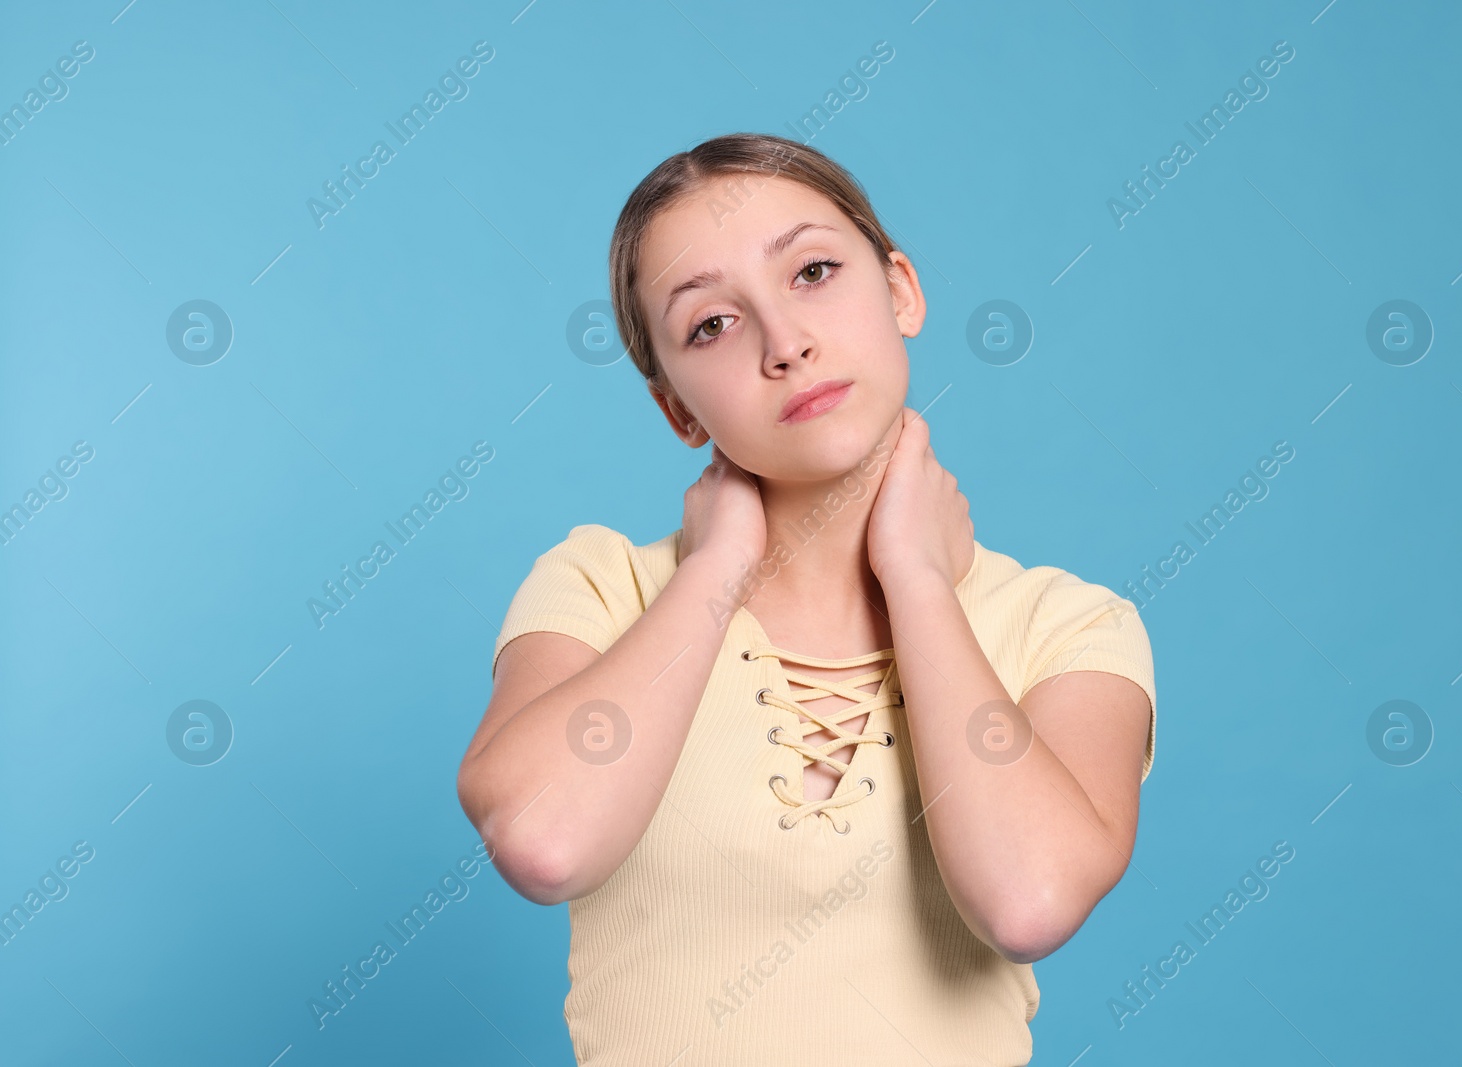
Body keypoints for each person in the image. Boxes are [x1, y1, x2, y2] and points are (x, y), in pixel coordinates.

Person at [456, 132, 1157, 1065]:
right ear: (679, 410)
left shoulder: (1069, 628)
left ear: (901, 289)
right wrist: (713, 575)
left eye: (814, 271)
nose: (786, 342)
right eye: (711, 323)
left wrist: (917, 582)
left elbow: (1027, 902)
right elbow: (544, 841)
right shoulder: (601, 585)